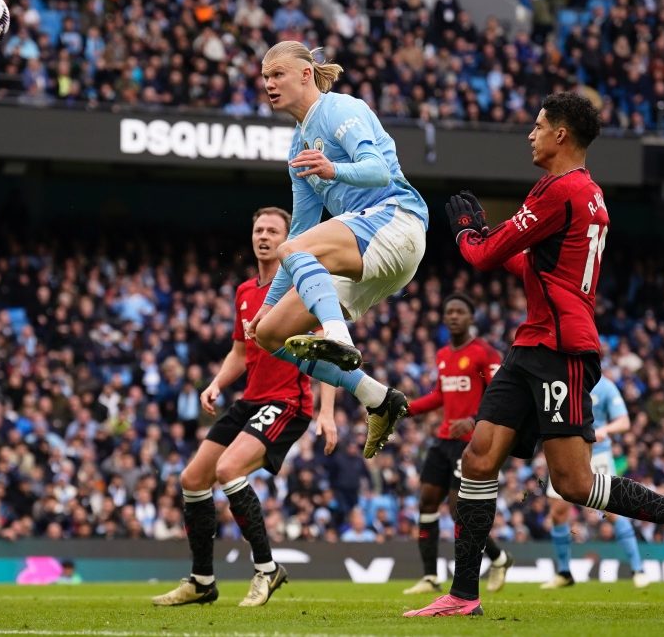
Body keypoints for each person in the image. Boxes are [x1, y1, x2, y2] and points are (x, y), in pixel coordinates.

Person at [407, 92, 664, 618]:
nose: (530, 134)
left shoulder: (560, 191)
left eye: (538, 126)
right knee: (478, 457)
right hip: (533, 342)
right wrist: (492, 242)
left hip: (561, 349)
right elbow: (538, 270)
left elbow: (485, 256)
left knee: (574, 483)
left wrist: (468, 233)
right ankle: (464, 594)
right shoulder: (585, 193)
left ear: (561, 134)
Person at [246, 41, 429, 460]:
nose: (269, 84)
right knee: (272, 333)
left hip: (396, 221)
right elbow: (303, 229)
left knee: (293, 249)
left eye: (278, 75)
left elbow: (379, 170)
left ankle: (337, 335)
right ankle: (378, 398)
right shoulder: (297, 148)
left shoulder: (340, 110)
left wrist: (334, 169)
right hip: (366, 252)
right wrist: (268, 304)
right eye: (265, 77)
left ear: (306, 74)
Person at [152, 207, 337, 608]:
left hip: (289, 402)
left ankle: (268, 569)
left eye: (273, 230)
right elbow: (240, 351)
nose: (264, 236)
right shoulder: (244, 292)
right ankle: (202, 581)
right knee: (193, 478)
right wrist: (217, 383)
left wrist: (327, 412)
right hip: (250, 399)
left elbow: (330, 350)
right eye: (259, 229)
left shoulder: (303, 288)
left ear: (288, 238)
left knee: (228, 469)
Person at [402, 293, 512, 596]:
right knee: (426, 501)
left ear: (471, 317)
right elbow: (440, 395)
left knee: (457, 510)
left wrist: (476, 419)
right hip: (443, 439)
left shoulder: (484, 354)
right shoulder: (442, 355)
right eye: (449, 311)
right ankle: (429, 576)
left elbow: (499, 394)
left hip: (470, 444)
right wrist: (406, 408)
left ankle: (499, 558)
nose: (453, 316)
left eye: (459, 312)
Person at [541, 376, 649, 589]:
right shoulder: (561, 379)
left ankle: (638, 569)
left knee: (611, 511)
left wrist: (605, 430)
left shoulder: (605, 385)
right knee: (558, 512)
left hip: (597, 453)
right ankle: (564, 573)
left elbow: (624, 421)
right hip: (564, 453)